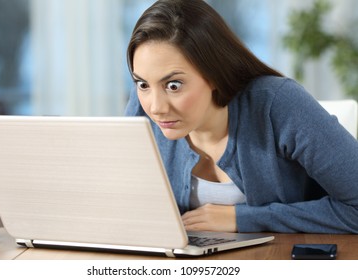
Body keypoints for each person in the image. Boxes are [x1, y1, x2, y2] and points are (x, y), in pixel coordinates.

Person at [125, 0, 358, 233]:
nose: (156, 107)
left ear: (213, 74)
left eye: (173, 85)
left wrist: (245, 218)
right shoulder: (142, 110)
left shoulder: (278, 104)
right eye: (143, 84)